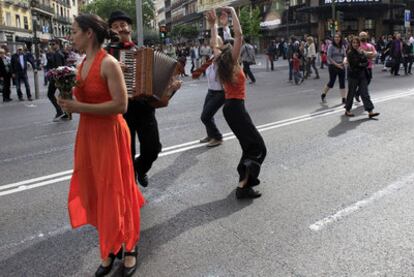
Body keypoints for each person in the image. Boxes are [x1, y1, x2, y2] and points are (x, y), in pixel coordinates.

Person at [58, 14, 145, 277]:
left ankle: (129, 248)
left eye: (74, 32)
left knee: (117, 189)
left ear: (89, 34)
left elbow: (121, 105)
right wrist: (63, 96)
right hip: (88, 135)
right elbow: (81, 97)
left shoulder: (109, 63)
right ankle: (109, 246)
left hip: (110, 133)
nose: (71, 36)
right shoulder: (82, 63)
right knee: (96, 190)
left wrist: (78, 106)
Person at [107, 10, 181, 188]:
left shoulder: (142, 53)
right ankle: (131, 191)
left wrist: (171, 89)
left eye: (123, 25)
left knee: (153, 148)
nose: (120, 29)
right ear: (110, 31)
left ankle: (141, 169)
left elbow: (158, 86)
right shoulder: (107, 55)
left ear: (130, 28)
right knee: (127, 153)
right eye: (115, 26)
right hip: (122, 110)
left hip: (145, 109)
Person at [208, 7, 266, 199]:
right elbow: (239, 35)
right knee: (258, 147)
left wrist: (213, 24)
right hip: (236, 108)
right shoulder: (231, 61)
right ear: (231, 49)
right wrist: (233, 12)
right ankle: (244, 186)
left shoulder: (220, 60)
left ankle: (244, 184)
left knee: (249, 146)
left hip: (230, 108)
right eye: (234, 46)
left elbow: (213, 43)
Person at [344, 36, 380, 119]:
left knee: (365, 93)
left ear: (359, 43)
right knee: (351, 93)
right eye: (353, 43)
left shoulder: (361, 51)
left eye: (357, 43)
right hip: (353, 76)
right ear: (351, 44)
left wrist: (362, 63)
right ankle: (347, 110)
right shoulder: (350, 53)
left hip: (362, 75)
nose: (355, 44)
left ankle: (370, 111)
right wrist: (362, 64)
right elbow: (354, 65)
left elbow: (367, 62)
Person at [47, 39, 69, 121]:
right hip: (59, 78)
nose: (51, 46)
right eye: (50, 44)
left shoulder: (57, 54)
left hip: (56, 78)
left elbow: (59, 68)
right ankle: (66, 113)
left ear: (58, 44)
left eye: (53, 44)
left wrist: (53, 75)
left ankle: (60, 111)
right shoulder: (59, 53)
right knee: (63, 95)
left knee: (50, 94)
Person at [321, 33, 346, 104]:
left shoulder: (342, 46)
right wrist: (337, 65)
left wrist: (344, 61)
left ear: (341, 38)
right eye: (335, 37)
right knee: (331, 82)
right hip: (333, 66)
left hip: (341, 65)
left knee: (342, 82)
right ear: (333, 38)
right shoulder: (331, 46)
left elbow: (345, 56)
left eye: (338, 37)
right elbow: (328, 57)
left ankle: (343, 98)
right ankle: (323, 94)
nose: (337, 38)